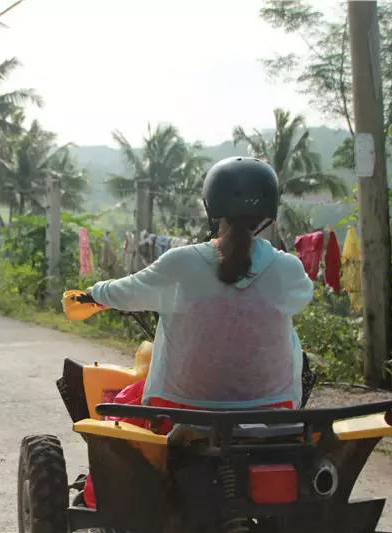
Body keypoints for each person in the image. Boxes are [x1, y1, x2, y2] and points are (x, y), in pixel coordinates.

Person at [79, 156, 314, 509]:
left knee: (127, 404)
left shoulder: (181, 262)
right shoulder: (289, 269)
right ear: (269, 211)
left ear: (211, 206)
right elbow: (301, 299)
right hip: (274, 410)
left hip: (182, 409)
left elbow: (127, 290)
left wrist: (92, 294)